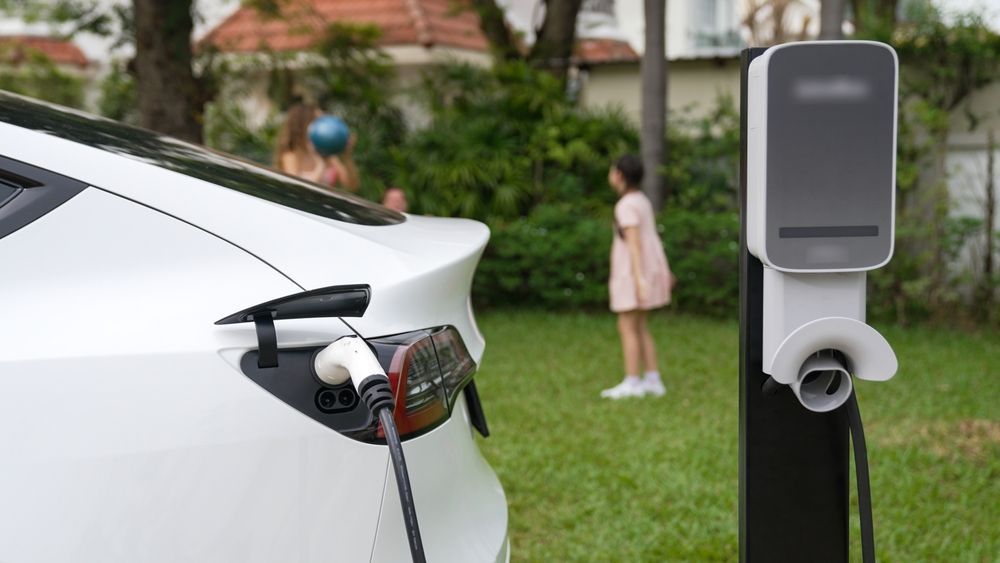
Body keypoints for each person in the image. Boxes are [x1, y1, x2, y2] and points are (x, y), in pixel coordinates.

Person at [601, 154, 674, 399]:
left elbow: (634, 244)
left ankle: (632, 382)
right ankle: (652, 379)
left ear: (619, 175)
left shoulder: (626, 205)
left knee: (627, 326)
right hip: (645, 270)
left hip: (632, 273)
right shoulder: (641, 200)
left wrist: (639, 279)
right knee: (641, 326)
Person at [274, 102, 359, 192]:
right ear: (303, 125)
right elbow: (297, 189)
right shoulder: (291, 155)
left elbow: (351, 185)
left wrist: (346, 156)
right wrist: (321, 164)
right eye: (318, 121)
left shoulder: (327, 155)